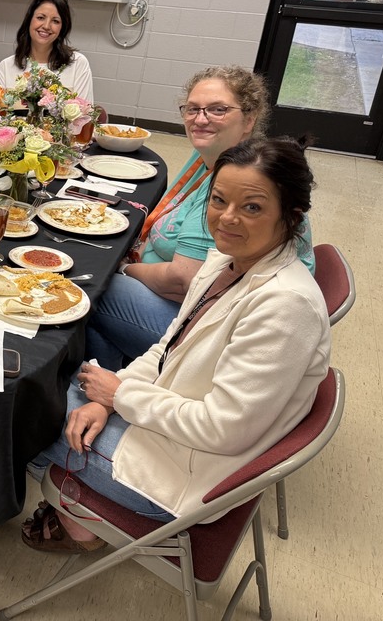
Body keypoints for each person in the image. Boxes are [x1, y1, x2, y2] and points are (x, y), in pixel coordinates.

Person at [21, 136, 330, 552]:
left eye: (252, 207)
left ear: (292, 218)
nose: (227, 218)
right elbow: (168, 348)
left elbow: (223, 430)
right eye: (219, 200)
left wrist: (122, 394)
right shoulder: (226, 263)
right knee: (52, 380)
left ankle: (72, 514)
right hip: (171, 424)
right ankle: (67, 495)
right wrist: (108, 400)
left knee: (23, 407)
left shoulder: (286, 307)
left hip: (187, 477)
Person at [82, 65, 315, 374]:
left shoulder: (235, 185)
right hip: (202, 305)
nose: (200, 119)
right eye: (193, 109)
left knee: (89, 285)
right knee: (97, 309)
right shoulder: (213, 157)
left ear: (249, 118)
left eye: (217, 110)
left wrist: (123, 268)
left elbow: (183, 281)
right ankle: (104, 380)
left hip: (210, 325)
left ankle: (107, 388)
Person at [0, 0, 93, 103]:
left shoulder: (78, 63)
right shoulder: (6, 66)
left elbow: (85, 116)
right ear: (29, 20)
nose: (46, 26)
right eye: (41, 18)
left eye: (55, 21)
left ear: (62, 28)